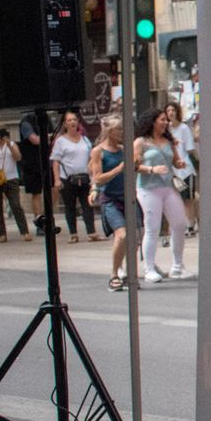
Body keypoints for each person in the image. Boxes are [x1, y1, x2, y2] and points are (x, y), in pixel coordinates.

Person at [134, 107, 188, 281]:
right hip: (148, 188)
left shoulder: (168, 140)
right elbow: (134, 165)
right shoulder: (141, 142)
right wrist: (151, 169)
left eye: (166, 120)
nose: (166, 122)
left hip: (168, 185)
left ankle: (178, 265)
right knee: (152, 227)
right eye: (162, 119)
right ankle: (148, 268)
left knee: (180, 224)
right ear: (152, 122)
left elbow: (175, 160)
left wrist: (179, 163)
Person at [89, 115, 130, 291]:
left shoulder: (123, 149)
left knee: (133, 238)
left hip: (127, 197)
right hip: (110, 198)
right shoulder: (98, 151)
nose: (121, 133)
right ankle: (113, 274)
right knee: (122, 234)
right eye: (118, 130)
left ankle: (125, 270)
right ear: (109, 131)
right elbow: (97, 178)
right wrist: (118, 169)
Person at [50, 110, 100, 243]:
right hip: (68, 178)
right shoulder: (60, 141)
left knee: (87, 205)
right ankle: (73, 233)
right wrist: (56, 179)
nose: (72, 122)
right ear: (65, 124)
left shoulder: (84, 139)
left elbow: (91, 157)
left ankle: (91, 232)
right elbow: (56, 161)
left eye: (74, 120)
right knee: (70, 206)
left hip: (84, 177)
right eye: (69, 120)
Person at [0, 127, 30, 243]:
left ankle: (25, 232)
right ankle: (2, 234)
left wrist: (8, 144)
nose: (1, 136)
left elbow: (18, 157)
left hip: (11, 178)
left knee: (16, 205)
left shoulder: (12, 144)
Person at [165, 102, 199, 237]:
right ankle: (179, 225)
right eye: (168, 110)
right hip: (171, 171)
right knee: (174, 200)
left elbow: (190, 149)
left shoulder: (184, 128)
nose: (171, 113)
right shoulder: (166, 131)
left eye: (173, 110)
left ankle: (190, 225)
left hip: (185, 170)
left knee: (187, 199)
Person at [19, 112, 47, 224]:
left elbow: (55, 136)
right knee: (36, 192)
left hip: (46, 159)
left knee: (54, 188)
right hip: (32, 163)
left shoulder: (46, 118)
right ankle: (39, 220)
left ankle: (44, 215)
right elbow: (34, 140)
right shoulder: (26, 122)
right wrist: (46, 138)